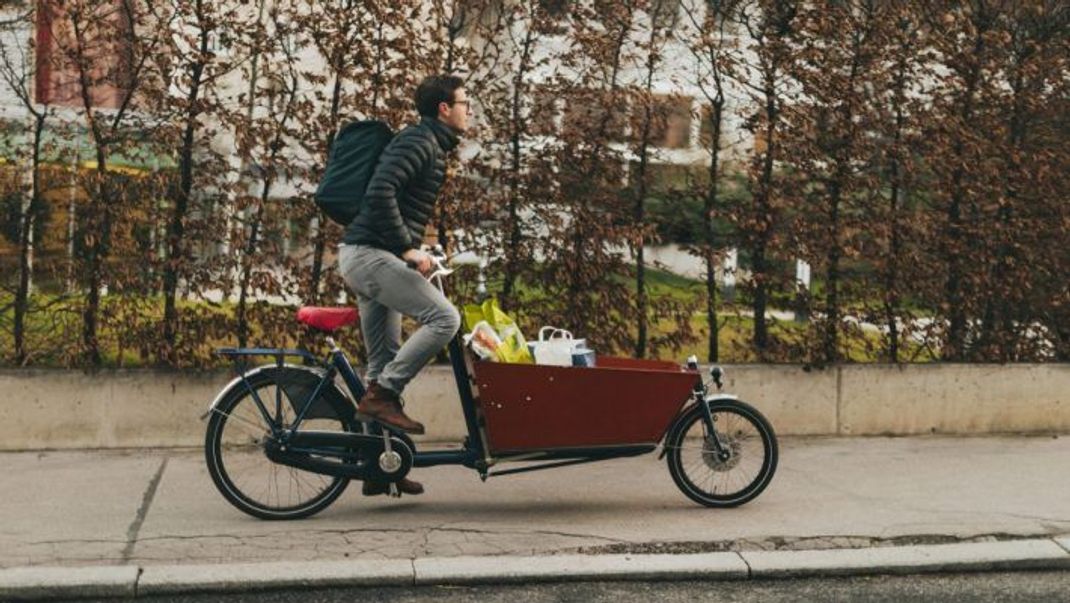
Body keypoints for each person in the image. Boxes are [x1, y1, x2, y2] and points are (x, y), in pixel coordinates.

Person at [338, 74, 470, 496]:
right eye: (465, 103)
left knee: (382, 360)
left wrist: (419, 245)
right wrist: (407, 249)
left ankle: (381, 466)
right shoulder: (419, 142)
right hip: (371, 256)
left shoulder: (428, 143)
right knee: (445, 318)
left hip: (368, 254)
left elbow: (396, 199)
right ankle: (384, 396)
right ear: (444, 109)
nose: (469, 111)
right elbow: (381, 192)